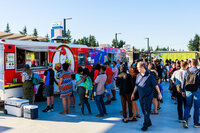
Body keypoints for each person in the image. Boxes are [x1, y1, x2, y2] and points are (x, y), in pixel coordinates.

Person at [131, 62, 162, 131]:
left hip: (148, 96)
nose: (137, 69)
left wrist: (159, 93)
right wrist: (133, 93)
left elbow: (155, 85)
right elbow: (136, 85)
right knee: (143, 110)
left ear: (142, 67)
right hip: (141, 96)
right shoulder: (138, 75)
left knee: (146, 110)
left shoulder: (150, 75)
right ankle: (149, 121)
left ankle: (145, 125)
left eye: (138, 67)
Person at [182, 59, 200, 128]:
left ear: (191, 64)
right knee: (197, 107)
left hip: (188, 90)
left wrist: (183, 90)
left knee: (188, 105)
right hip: (197, 90)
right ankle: (196, 123)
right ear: (197, 64)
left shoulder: (187, 71)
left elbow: (184, 81)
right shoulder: (199, 71)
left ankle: (185, 120)